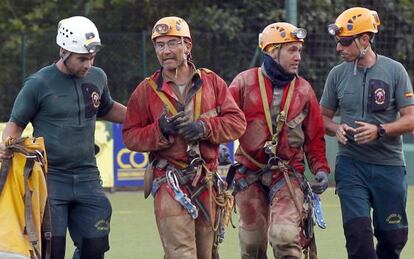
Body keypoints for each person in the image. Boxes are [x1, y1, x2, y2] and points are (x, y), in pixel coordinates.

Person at [0, 16, 126, 259]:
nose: (88, 64)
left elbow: (107, 108)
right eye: (82, 58)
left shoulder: (98, 77)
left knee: (95, 245)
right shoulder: (38, 83)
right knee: (52, 251)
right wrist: (6, 147)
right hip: (50, 178)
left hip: (88, 177)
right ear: (63, 51)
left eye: (91, 58)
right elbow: (15, 125)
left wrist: (143, 118)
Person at [122, 16, 246, 259]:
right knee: (181, 253)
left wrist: (204, 128)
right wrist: (160, 131)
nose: (165, 51)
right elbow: (130, 135)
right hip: (169, 180)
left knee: (206, 253)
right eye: (159, 45)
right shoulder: (146, 90)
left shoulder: (212, 82)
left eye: (172, 43)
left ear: (187, 46)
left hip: (206, 180)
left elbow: (237, 122)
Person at [228, 22, 330, 259]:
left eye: (299, 51)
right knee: (251, 246)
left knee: (285, 237)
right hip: (248, 173)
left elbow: (314, 139)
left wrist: (321, 170)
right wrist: (218, 150)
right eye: (291, 50)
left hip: (287, 174)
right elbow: (223, 121)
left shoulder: (304, 90)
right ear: (272, 51)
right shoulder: (243, 82)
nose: (298, 57)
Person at [320, 7, 414, 259]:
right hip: (351, 166)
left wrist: (380, 130)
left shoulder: (395, 71)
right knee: (358, 237)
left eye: (345, 42)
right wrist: (336, 128)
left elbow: (411, 120)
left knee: (393, 239)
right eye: (338, 42)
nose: (339, 48)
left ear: (365, 40)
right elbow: (322, 118)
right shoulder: (336, 75)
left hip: (389, 167)